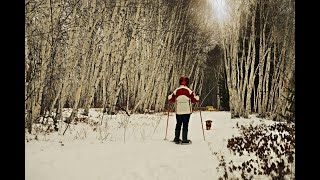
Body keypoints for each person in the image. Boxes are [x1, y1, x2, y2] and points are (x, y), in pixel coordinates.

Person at [167, 76, 199, 144]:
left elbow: (171, 99)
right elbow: (194, 100)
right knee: (185, 124)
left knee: (178, 124)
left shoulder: (176, 91)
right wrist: (198, 96)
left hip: (178, 111)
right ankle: (184, 139)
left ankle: (176, 138)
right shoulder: (189, 91)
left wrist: (169, 95)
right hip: (187, 111)